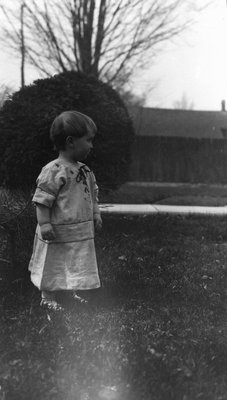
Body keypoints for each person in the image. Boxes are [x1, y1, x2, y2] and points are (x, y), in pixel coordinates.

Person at [28, 110, 102, 311]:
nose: (91, 145)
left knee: (76, 261)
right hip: (57, 231)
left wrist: (95, 213)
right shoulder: (54, 170)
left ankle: (73, 290)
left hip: (80, 231)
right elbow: (42, 200)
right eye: (88, 140)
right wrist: (44, 223)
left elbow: (93, 195)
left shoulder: (85, 170)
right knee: (54, 262)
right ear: (71, 141)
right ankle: (48, 296)